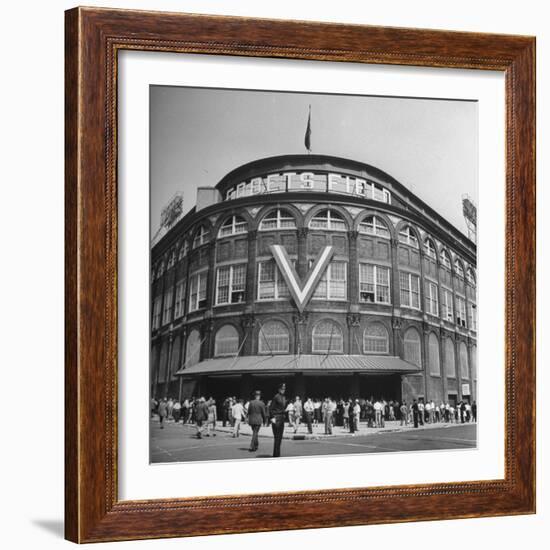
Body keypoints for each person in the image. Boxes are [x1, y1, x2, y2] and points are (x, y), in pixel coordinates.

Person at [269, 383, 287, 457]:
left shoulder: (283, 397)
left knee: (280, 438)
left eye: (284, 389)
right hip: (276, 418)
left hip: (282, 418)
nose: (283, 390)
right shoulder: (276, 397)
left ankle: (277, 454)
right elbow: (271, 409)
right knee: (277, 437)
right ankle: (276, 455)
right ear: (279, 389)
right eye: (282, 389)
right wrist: (272, 418)